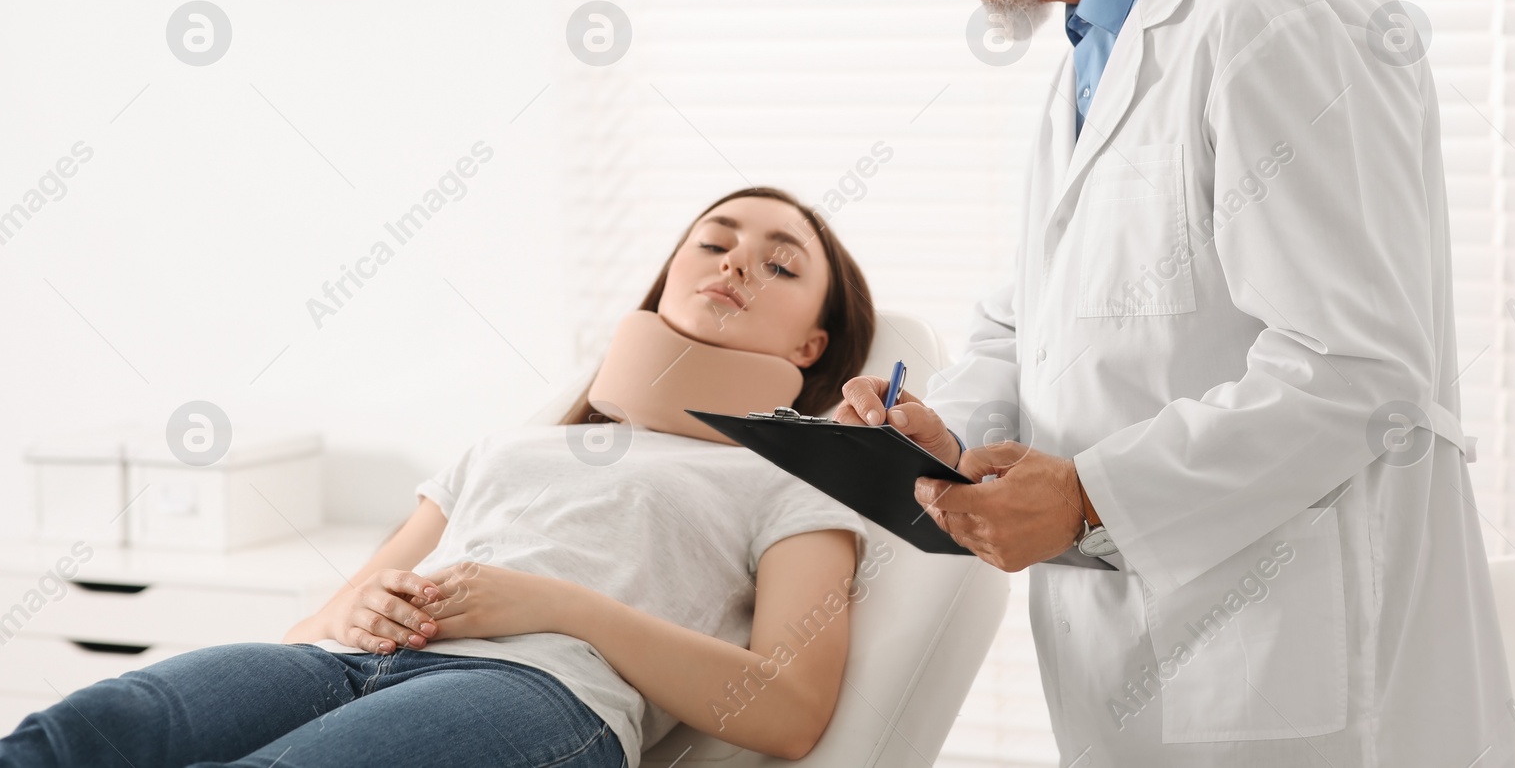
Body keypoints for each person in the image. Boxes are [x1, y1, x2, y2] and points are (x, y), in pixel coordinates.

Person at [834, 0, 1515, 767]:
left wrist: (1091, 494)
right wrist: (948, 434)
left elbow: (1358, 370)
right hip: (1151, 665)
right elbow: (1032, 315)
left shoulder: (1273, 12)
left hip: (1298, 683)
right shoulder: (1098, 43)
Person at [2, 187, 877, 768]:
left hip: (537, 688)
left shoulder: (794, 480)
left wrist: (555, 605)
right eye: (713, 243)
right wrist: (364, 604)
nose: (733, 263)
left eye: (779, 263)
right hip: (344, 658)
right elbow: (326, 614)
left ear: (810, 347)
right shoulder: (509, 446)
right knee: (74, 735)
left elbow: (791, 709)